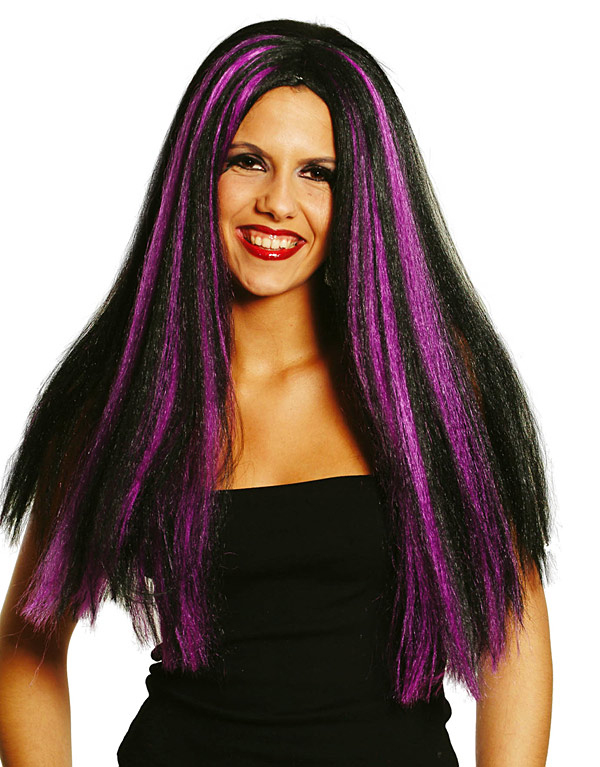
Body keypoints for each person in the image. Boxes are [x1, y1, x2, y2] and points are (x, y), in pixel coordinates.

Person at [0, 18, 553, 766]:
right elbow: (28, 644)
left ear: (362, 195)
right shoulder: (123, 393)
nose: (278, 203)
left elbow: (511, 635)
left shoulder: (432, 383)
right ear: (198, 174)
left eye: (317, 173)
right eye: (248, 161)